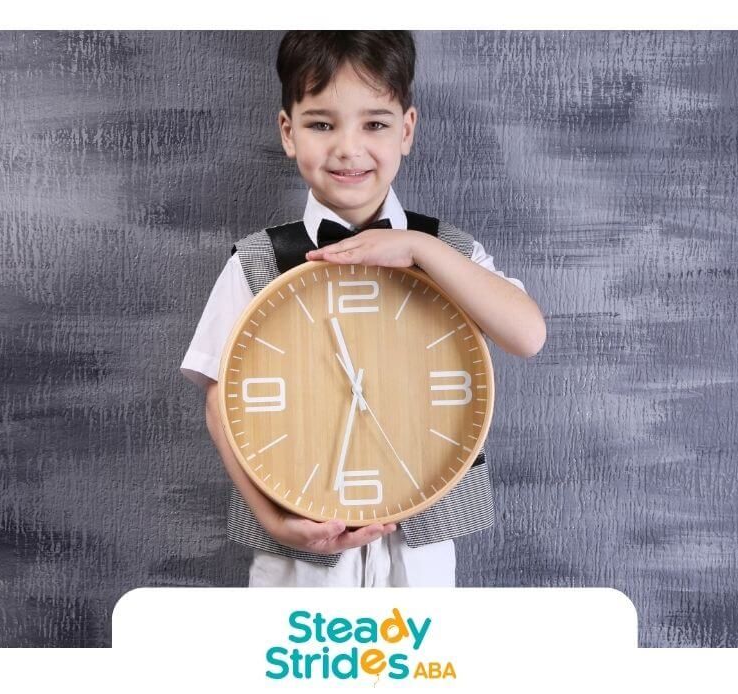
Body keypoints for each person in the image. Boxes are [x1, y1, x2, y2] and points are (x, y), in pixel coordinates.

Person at [180, 30, 546, 587]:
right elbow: (218, 400)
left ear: (406, 131)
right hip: (297, 551)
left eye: (374, 124)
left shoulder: (449, 253)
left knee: (417, 669)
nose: (348, 148)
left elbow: (527, 335)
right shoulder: (257, 261)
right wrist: (273, 518)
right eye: (322, 124)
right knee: (298, 670)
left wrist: (420, 249)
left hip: (423, 544)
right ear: (288, 132)